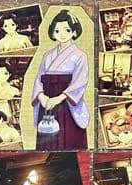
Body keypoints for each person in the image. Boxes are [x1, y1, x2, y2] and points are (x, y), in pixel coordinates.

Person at [31, 9, 89, 150]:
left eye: (67, 30)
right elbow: (39, 78)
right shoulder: (47, 55)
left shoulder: (80, 55)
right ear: (53, 33)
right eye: (57, 31)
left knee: (68, 138)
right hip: (47, 99)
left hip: (67, 102)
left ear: (74, 32)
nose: (62, 34)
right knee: (47, 138)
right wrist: (41, 96)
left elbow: (80, 82)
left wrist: (59, 98)